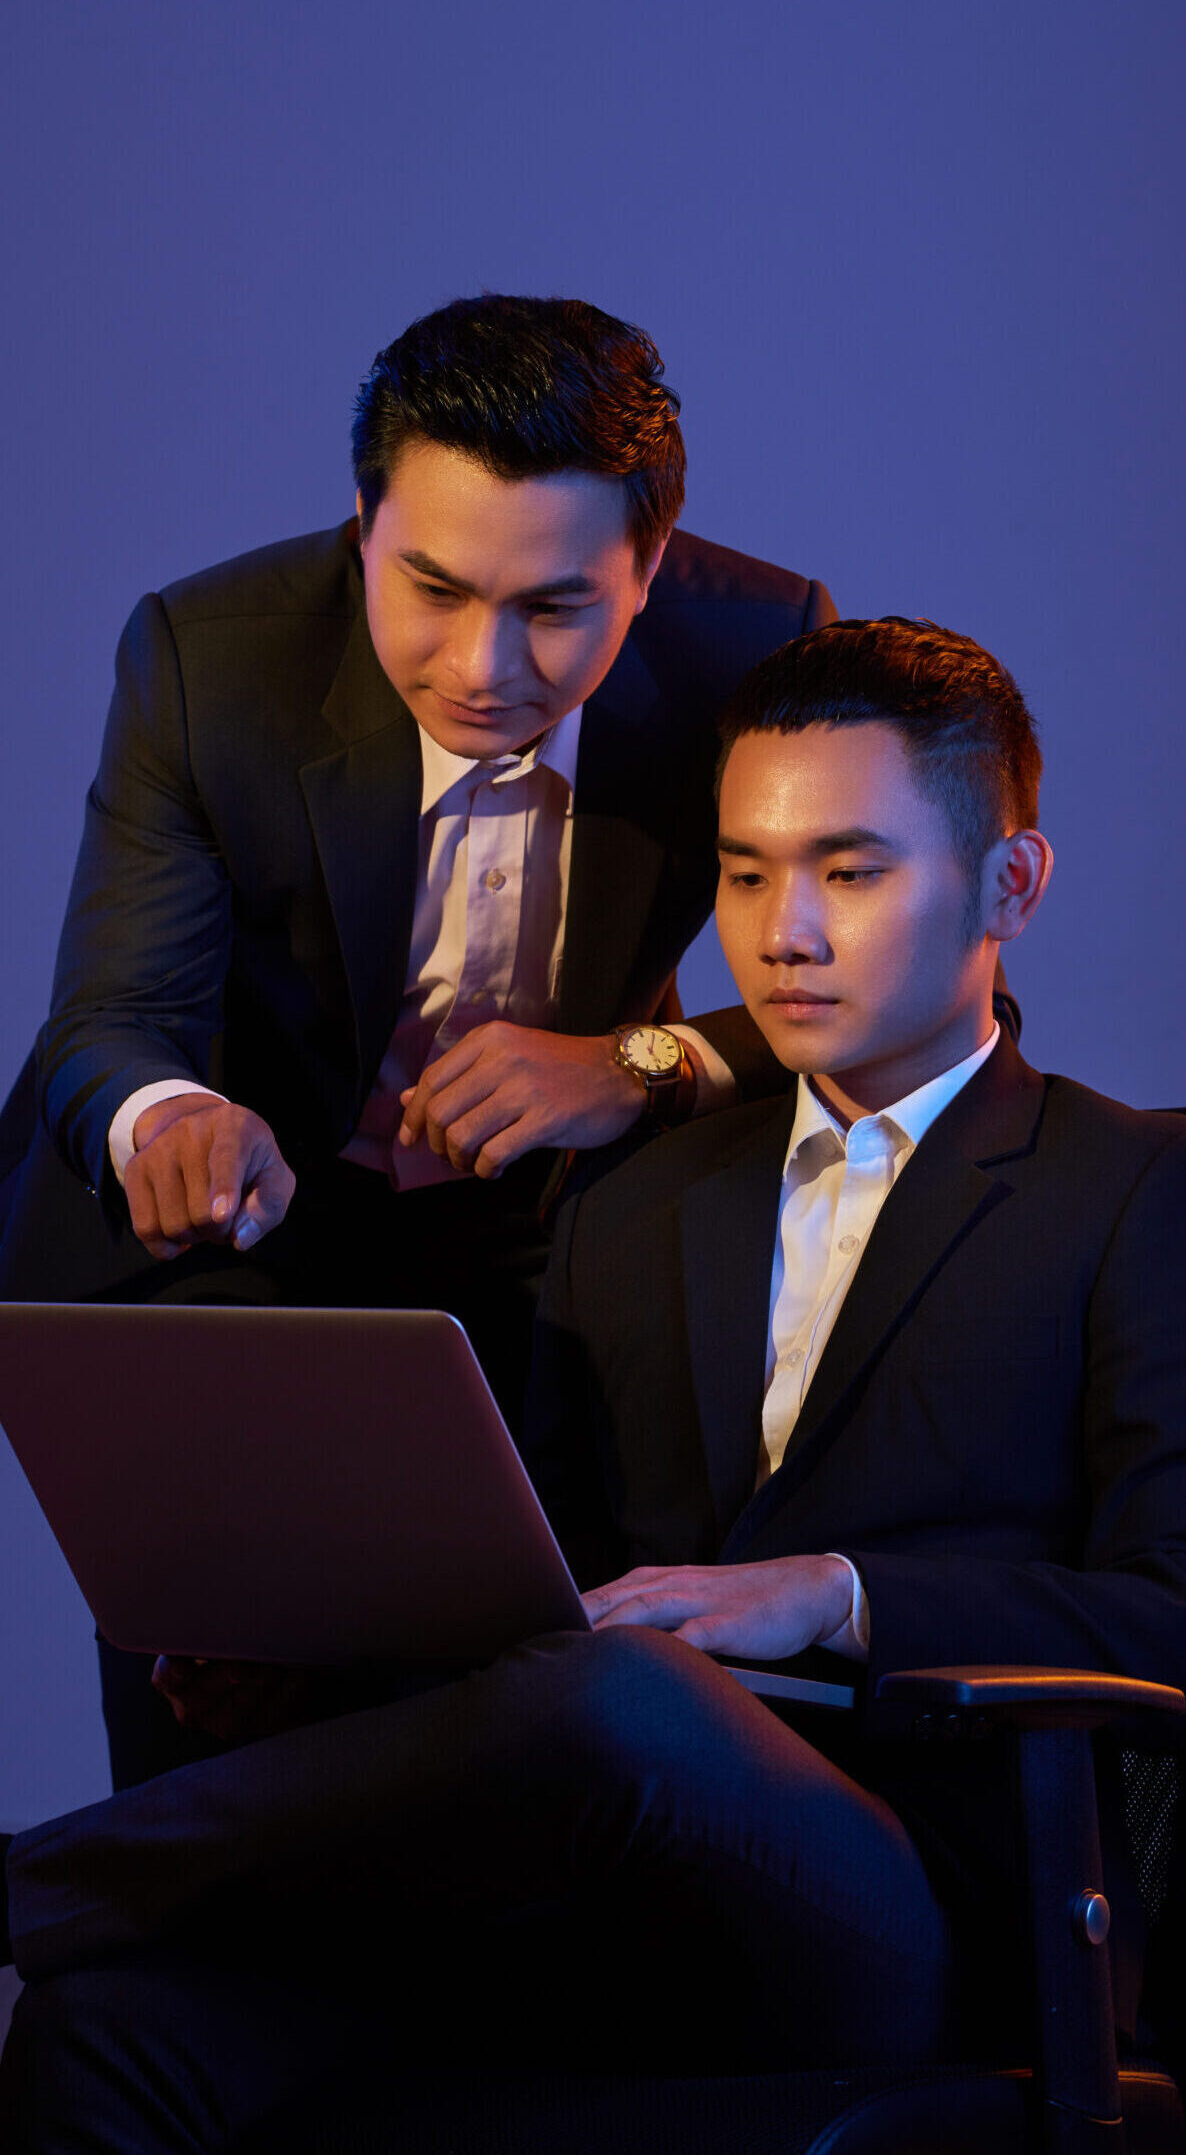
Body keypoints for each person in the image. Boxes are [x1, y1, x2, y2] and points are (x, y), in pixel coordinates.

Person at [3, 616, 1182, 2152]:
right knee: (112, 2039)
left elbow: (1168, 1604)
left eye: (849, 869)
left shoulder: (1134, 1186)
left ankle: (40, 1881)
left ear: (1007, 886)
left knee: (633, 1694)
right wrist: (324, 1666)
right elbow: (541, 1595)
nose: (783, 932)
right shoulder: (638, 1198)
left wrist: (833, 1591)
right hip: (588, 1879)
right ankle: (84, 1921)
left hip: (931, 1906)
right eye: (745, 873)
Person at [0, 291, 832, 1787]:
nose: (482, 664)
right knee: (223, 1731)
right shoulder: (208, 658)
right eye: (432, 587)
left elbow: (906, 991)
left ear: (650, 571)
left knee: (534, 1726)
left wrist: (634, 1064)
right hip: (237, 1243)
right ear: (361, 526)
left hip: (542, 1240)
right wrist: (173, 1117)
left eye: (555, 608)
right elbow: (108, 1023)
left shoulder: (756, 650)